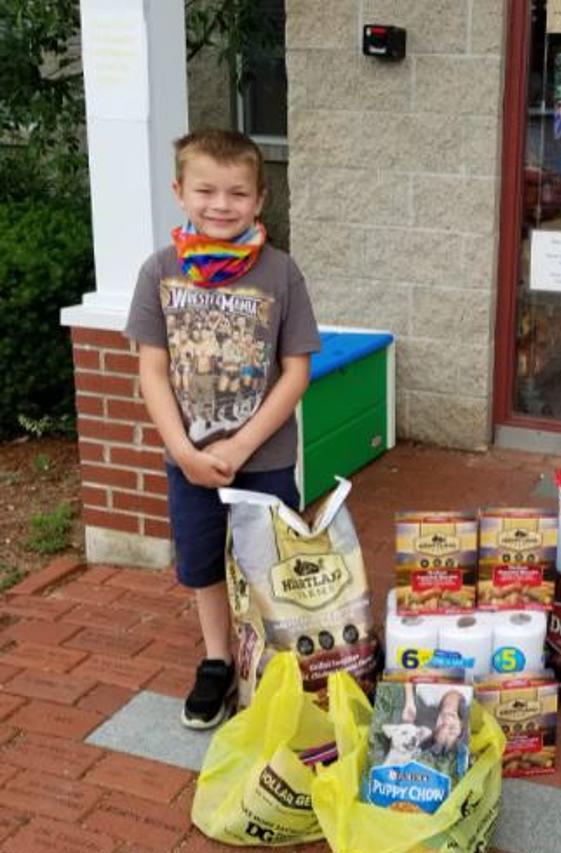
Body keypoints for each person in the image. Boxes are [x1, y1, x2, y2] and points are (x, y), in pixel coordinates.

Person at [125, 129, 321, 729]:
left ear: (259, 199)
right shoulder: (159, 271)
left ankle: (269, 660)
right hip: (189, 459)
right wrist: (182, 450)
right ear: (179, 192)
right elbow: (151, 370)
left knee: (266, 563)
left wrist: (241, 443)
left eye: (237, 192)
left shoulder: (280, 274)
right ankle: (216, 659)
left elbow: (296, 372)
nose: (221, 204)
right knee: (204, 563)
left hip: (261, 458)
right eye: (205, 190)